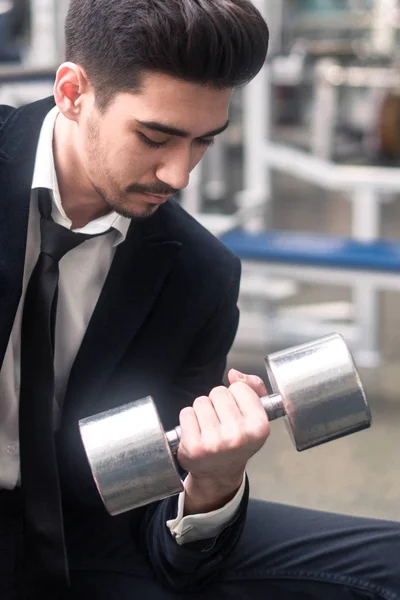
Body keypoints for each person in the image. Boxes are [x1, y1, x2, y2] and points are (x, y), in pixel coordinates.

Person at [0, 0, 399, 598]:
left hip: (80, 525)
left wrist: (213, 480)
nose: (178, 175)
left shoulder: (201, 276)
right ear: (73, 92)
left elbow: (169, 546)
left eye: (203, 142)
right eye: (155, 137)